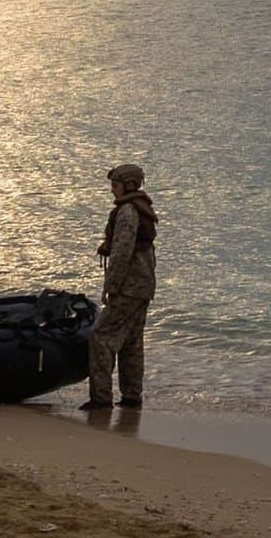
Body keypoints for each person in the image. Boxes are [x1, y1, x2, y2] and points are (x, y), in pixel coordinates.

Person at [80, 163, 158, 411]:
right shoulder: (142, 208)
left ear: (129, 185)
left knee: (101, 337)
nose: (112, 191)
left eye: (115, 185)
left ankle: (101, 398)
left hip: (128, 287)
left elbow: (122, 253)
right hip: (144, 286)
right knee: (132, 342)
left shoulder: (127, 212)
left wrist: (111, 286)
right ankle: (132, 396)